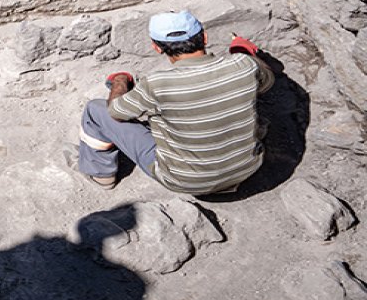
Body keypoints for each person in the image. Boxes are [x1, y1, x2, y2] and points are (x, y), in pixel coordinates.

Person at [77, 10, 274, 195]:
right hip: (247, 168)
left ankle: (101, 175)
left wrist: (120, 81)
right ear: (205, 38)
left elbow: (115, 112)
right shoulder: (245, 65)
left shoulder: (157, 84)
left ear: (157, 47)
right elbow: (265, 83)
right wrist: (245, 54)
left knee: (96, 110)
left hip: (185, 181)